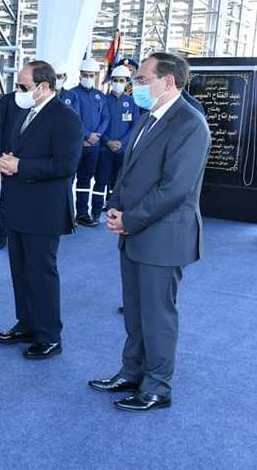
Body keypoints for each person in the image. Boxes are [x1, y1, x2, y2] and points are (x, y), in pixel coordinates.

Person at [90, 52, 210, 412]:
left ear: (168, 81)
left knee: (157, 316)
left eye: (142, 80)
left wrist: (129, 220)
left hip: (163, 238)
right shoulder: (149, 117)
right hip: (136, 232)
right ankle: (132, 372)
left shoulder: (190, 123)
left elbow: (175, 189)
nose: (135, 86)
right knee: (135, 311)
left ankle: (157, 387)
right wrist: (115, 206)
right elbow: (129, 172)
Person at [0, 60, 83, 360]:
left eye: (23, 86)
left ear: (43, 87)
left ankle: (49, 335)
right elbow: (22, 152)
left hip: (44, 210)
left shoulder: (65, 117)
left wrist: (21, 166)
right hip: (19, 204)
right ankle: (27, 324)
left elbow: (66, 165)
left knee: (41, 273)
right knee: (20, 270)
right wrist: (6, 161)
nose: (17, 92)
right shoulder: (27, 112)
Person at [91, 65, 139, 219]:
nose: (118, 83)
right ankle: (95, 212)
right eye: (115, 80)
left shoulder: (132, 102)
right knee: (100, 181)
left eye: (121, 80)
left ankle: (114, 212)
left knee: (117, 183)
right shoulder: (103, 100)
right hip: (104, 149)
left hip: (122, 150)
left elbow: (135, 126)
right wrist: (107, 142)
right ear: (111, 81)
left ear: (127, 82)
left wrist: (121, 143)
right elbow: (99, 124)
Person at [70, 58, 109, 227]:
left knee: (85, 181)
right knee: (69, 180)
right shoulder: (72, 94)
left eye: (91, 75)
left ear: (96, 76)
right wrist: (86, 136)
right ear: (80, 75)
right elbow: (73, 119)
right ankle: (65, 215)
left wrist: (97, 136)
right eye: (85, 75)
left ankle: (82, 214)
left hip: (94, 146)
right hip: (76, 145)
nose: (88, 78)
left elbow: (106, 118)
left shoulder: (100, 96)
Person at [0, 91, 26, 251]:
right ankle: (2, 235)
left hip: (30, 160)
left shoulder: (38, 100)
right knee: (6, 198)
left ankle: (23, 235)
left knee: (29, 200)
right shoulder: (7, 100)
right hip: (8, 157)